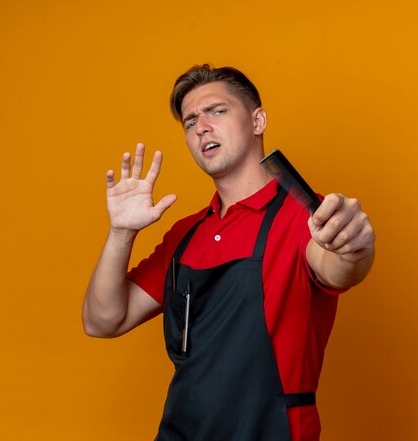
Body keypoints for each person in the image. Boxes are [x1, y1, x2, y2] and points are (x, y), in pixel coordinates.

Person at [83, 64, 375, 441]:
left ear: (257, 121)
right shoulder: (184, 234)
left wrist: (353, 247)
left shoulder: (306, 215)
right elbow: (102, 321)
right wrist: (121, 233)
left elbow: (338, 266)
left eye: (217, 111)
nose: (201, 126)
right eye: (190, 122)